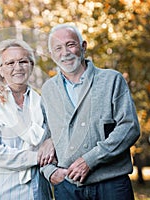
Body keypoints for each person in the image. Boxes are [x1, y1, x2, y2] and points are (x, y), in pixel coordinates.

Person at [40, 23, 140, 200]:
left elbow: (129, 128)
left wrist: (90, 160)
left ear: (83, 46)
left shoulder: (111, 80)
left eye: (70, 44)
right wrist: (49, 171)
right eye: (58, 48)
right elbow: (43, 134)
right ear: (52, 55)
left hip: (111, 184)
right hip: (67, 187)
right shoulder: (48, 89)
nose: (65, 52)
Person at [0, 39, 54, 200]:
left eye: (23, 61)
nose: (18, 67)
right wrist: (35, 157)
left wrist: (51, 142)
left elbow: (53, 137)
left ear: (31, 66)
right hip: (4, 192)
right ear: (0, 70)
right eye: (10, 63)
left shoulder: (42, 102)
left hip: (39, 191)